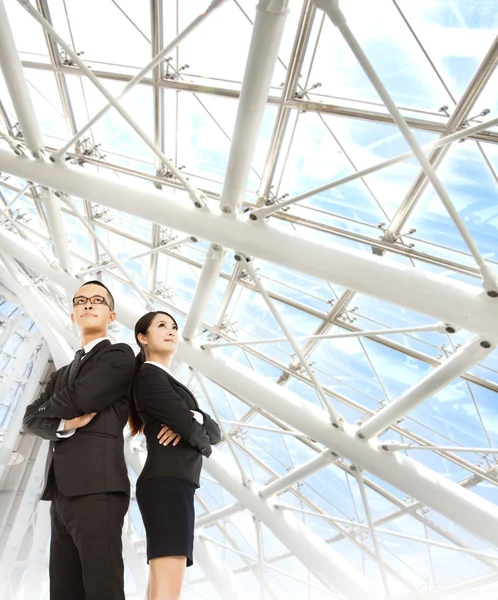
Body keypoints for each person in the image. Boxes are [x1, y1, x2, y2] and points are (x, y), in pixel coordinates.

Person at [22, 280, 135, 600]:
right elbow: (29, 420)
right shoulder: (60, 374)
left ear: (111, 315)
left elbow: (82, 396)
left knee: (102, 586)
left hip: (98, 487)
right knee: (63, 589)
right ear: (72, 315)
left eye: (97, 300)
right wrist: (63, 422)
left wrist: (49, 412)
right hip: (61, 492)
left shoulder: (119, 356)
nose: (87, 304)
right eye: (80, 300)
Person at [129, 311, 221, 600]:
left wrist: (193, 418)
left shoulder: (165, 380)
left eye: (173, 327)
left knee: (160, 586)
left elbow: (214, 433)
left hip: (170, 482)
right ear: (142, 338)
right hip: (168, 483)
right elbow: (194, 431)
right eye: (161, 326)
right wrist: (194, 430)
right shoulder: (149, 376)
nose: (171, 331)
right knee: (169, 586)